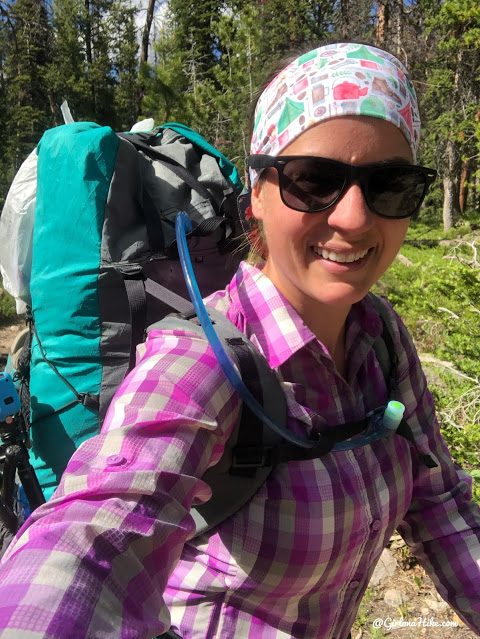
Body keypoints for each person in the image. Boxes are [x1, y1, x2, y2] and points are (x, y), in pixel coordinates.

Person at [0, 42, 479, 639]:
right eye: (314, 180)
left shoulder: (381, 337)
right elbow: (94, 532)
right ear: (256, 194)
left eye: (391, 184)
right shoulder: (201, 359)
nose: (355, 218)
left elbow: (439, 504)